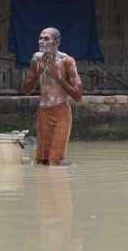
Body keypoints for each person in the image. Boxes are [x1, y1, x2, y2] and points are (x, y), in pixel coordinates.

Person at [21, 27, 83, 165]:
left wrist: (58, 77)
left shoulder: (67, 61)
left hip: (61, 113)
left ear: (56, 42)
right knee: (41, 161)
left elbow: (78, 97)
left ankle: (56, 178)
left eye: (46, 38)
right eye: (40, 38)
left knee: (54, 160)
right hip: (43, 112)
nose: (41, 41)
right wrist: (39, 73)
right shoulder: (37, 58)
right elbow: (25, 90)